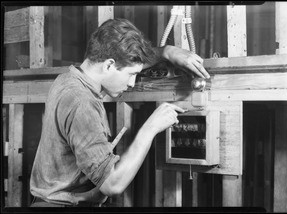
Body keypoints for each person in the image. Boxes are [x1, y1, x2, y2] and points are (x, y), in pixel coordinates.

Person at [30, 18, 210, 207]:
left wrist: (167, 51)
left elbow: (126, 60)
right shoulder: (81, 102)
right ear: (108, 65)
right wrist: (150, 128)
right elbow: (112, 184)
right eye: (131, 74)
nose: (132, 83)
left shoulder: (68, 79)